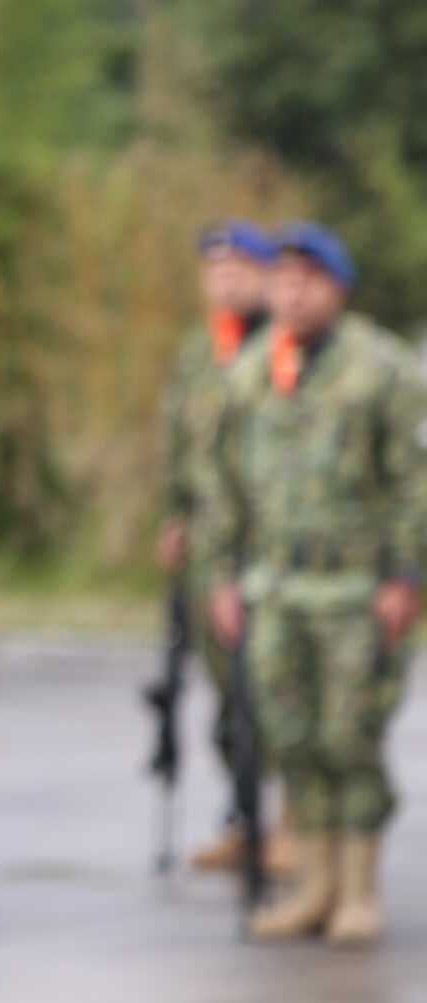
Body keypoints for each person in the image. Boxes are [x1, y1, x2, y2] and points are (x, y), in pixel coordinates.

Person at [208, 221, 424, 945]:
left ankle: (359, 886)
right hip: (276, 589)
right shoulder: (252, 370)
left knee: (349, 736)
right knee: (293, 736)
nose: (292, 293)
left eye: (308, 280)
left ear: (338, 287)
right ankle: (314, 882)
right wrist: (222, 575)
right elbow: (225, 483)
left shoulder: (383, 369)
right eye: (284, 279)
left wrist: (408, 573)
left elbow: (413, 482)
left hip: (355, 591)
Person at [157, 219, 277, 873]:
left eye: (239, 269)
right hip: (209, 547)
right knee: (228, 690)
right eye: (215, 270)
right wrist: (175, 514)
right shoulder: (200, 353)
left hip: (273, 547)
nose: (226, 281)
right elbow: (179, 441)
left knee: (279, 688)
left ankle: (294, 823)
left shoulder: (286, 347)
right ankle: (247, 812)